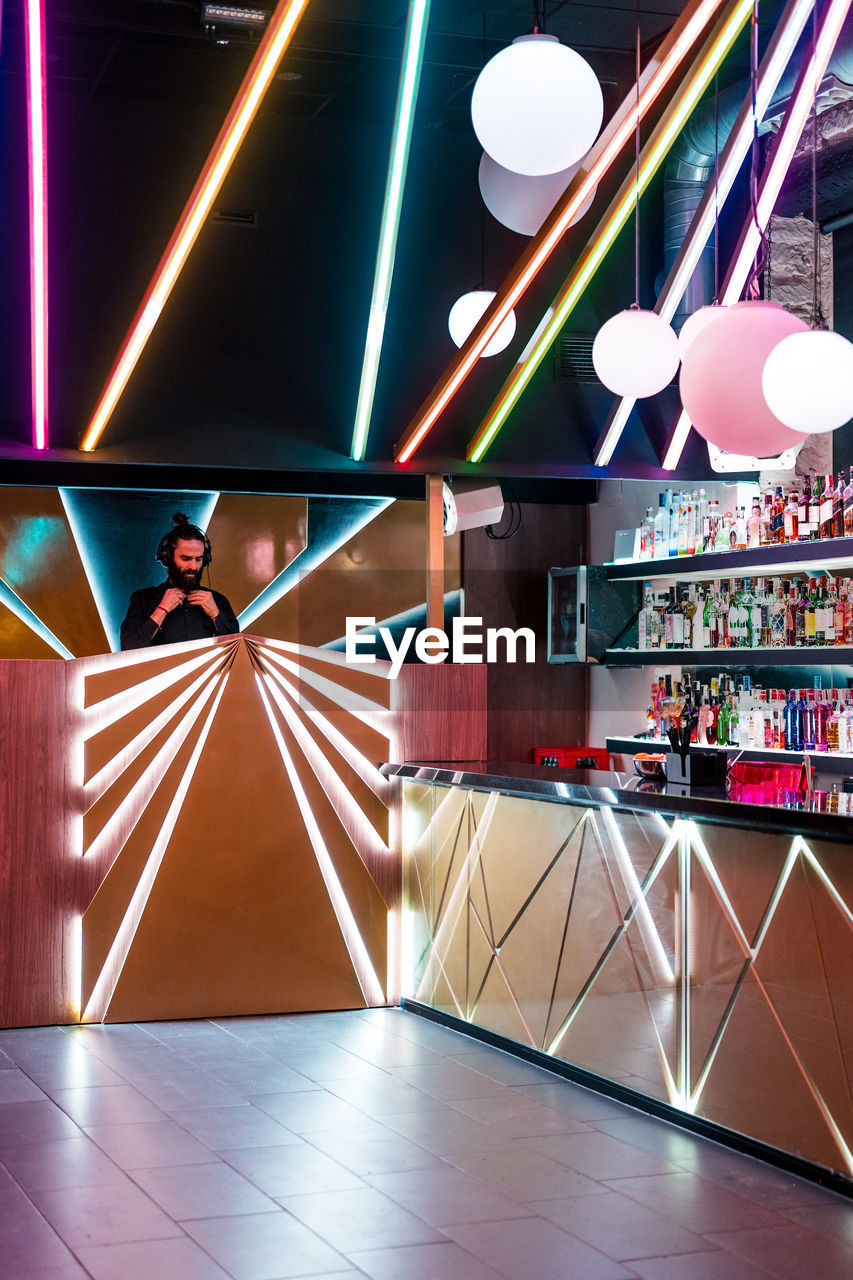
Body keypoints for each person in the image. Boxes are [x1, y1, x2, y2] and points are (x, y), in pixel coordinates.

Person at [120, 512, 240, 650]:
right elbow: (128, 648)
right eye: (186, 558)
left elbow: (237, 653)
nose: (193, 566)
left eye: (198, 559)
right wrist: (161, 610)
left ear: (205, 559)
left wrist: (216, 614)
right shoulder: (143, 599)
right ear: (168, 558)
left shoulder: (218, 601)